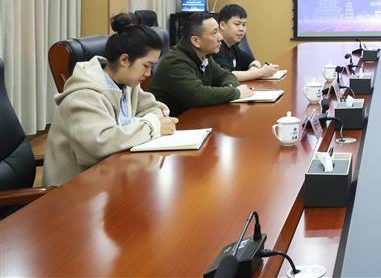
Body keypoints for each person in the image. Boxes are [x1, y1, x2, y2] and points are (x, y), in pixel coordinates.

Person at [44, 13, 178, 186]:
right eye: (146, 65)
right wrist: (151, 126)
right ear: (124, 60)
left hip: (112, 175)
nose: (148, 73)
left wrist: (138, 125)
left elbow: (156, 110)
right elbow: (101, 144)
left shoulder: (126, 83)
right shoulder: (84, 95)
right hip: (76, 188)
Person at [149, 11, 251, 116]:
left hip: (197, 117)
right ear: (196, 41)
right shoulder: (176, 62)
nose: (220, 37)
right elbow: (197, 95)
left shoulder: (204, 56)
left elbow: (227, 75)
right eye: (214, 32)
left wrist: (229, 88)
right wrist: (235, 92)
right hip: (175, 122)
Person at [213, 4, 279, 81]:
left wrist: (254, 69)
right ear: (222, 25)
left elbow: (253, 61)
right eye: (237, 24)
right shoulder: (215, 47)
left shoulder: (232, 46)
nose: (242, 29)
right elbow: (226, 75)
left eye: (244, 25)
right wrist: (260, 73)